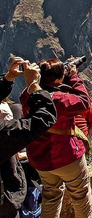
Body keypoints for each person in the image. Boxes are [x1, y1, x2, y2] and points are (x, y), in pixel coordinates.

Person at [20, 59, 92, 218]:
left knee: (51, 195)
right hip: (67, 157)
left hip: (40, 159)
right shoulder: (59, 100)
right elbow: (84, 102)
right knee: (81, 195)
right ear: (59, 78)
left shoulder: (26, 97)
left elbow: (36, 89)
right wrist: (73, 77)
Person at [0, 58, 57, 218]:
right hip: (5, 206)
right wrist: (34, 86)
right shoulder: (2, 133)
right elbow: (42, 120)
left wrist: (7, 79)